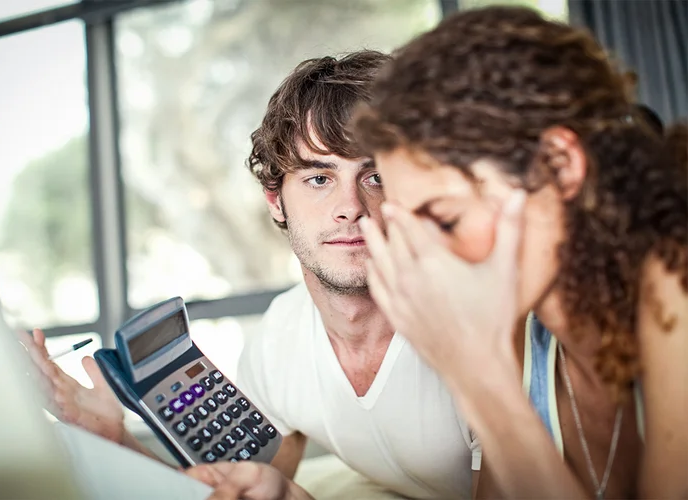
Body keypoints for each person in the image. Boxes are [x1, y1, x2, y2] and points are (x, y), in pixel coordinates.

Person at [25, 50, 480, 499]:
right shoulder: (278, 336)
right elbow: (240, 491)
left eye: (376, 176)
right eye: (319, 179)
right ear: (275, 200)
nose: (349, 209)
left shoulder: (482, 320)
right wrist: (114, 438)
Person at [353, 6, 687, 499]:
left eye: (447, 220)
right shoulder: (527, 338)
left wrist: (479, 377)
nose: (428, 264)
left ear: (558, 163)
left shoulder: (675, 277)